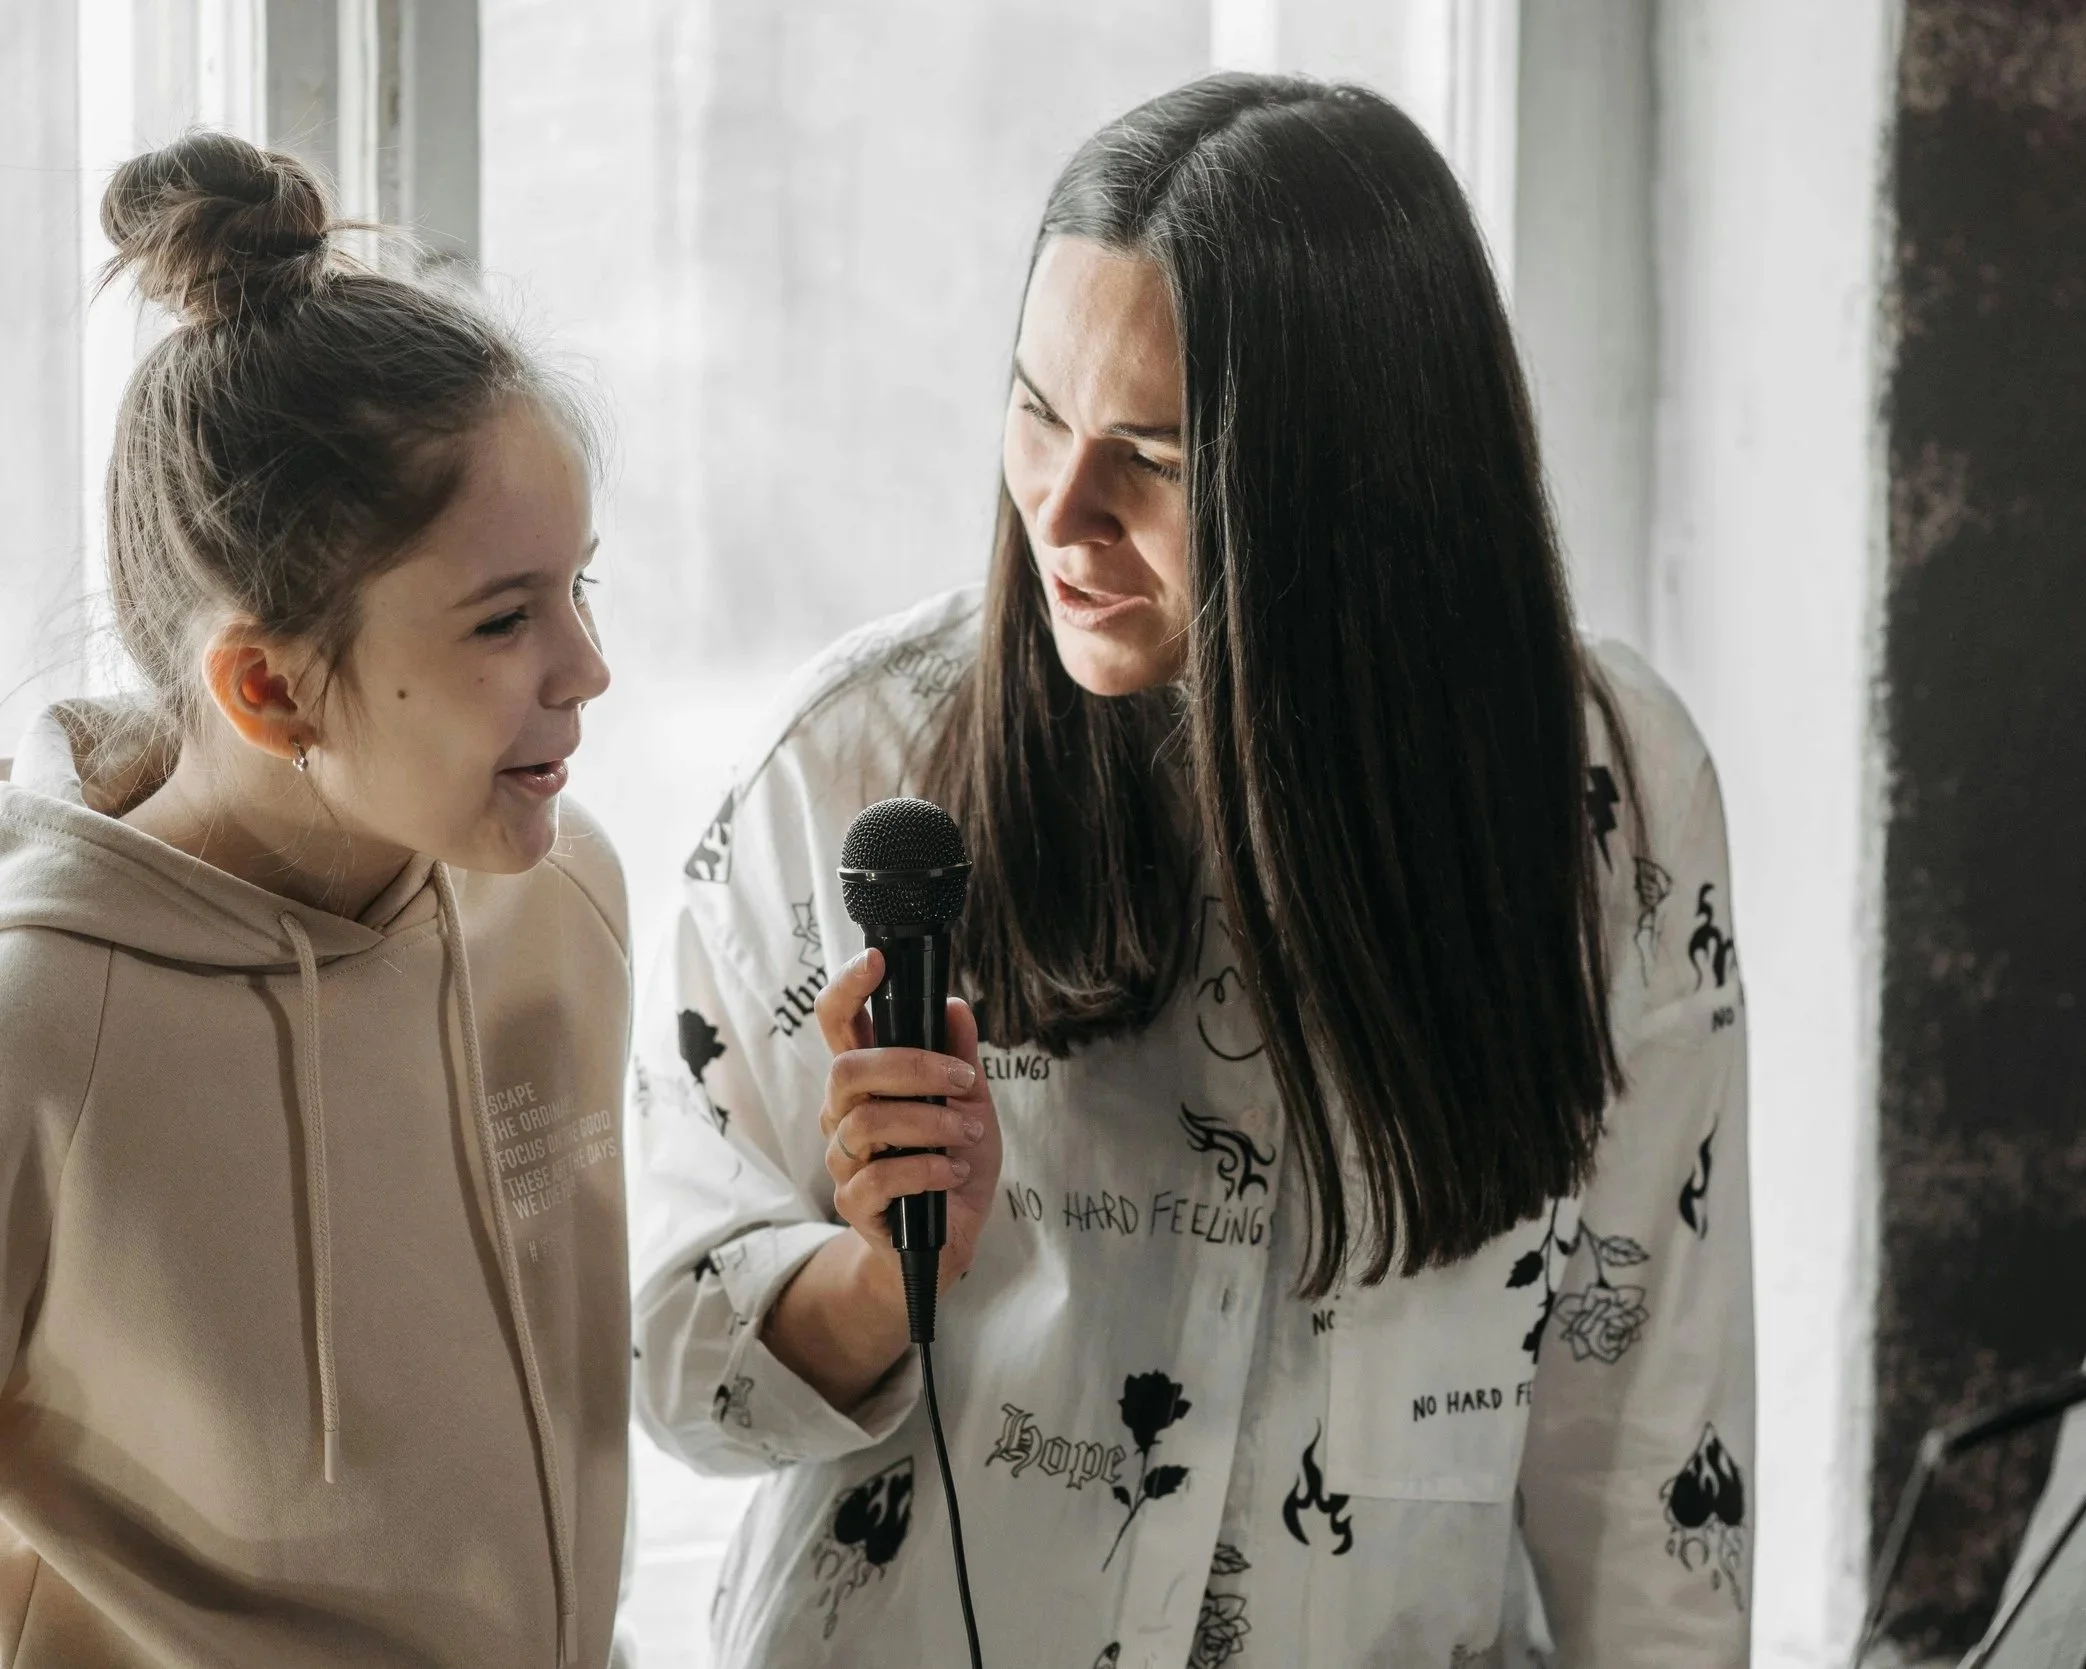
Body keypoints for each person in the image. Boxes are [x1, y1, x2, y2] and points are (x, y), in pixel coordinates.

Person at [633, 74, 1752, 1667]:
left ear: (1358, 486)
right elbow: (668, 1355)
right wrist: (876, 1286)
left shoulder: (1608, 798)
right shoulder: (858, 766)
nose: (1058, 513)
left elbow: (1643, 1426)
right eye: (1034, 410)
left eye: (1150, 459)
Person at [0, 135, 631, 1668]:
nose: (587, 670)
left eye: (579, 586)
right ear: (269, 686)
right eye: (503, 618)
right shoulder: (36, 1031)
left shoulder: (561, 901)